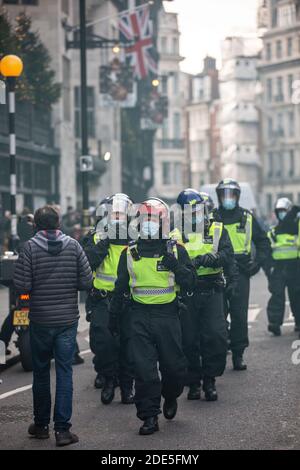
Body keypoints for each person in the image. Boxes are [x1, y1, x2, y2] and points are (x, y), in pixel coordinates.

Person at [109, 198, 195, 436]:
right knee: (144, 371)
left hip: (168, 316)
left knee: (174, 369)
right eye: (144, 220)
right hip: (139, 316)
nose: (148, 225)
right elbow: (121, 287)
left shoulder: (176, 250)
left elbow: (190, 283)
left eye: (152, 220)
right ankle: (149, 416)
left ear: (163, 223)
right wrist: (113, 317)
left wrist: (176, 266)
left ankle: (170, 395)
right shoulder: (130, 252)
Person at [13, 205, 93, 447]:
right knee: (65, 373)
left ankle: (40, 426)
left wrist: (26, 309)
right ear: (58, 223)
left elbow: (22, 286)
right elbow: (86, 281)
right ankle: (62, 430)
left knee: (40, 374)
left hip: (40, 320)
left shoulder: (28, 248)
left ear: (35, 225)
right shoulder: (74, 246)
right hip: (67, 321)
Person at [175, 189, 233, 402]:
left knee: (216, 337)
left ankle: (210, 380)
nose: (195, 213)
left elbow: (228, 254)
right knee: (188, 340)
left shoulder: (217, 228)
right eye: (190, 210)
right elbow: (169, 260)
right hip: (188, 293)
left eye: (197, 208)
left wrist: (214, 258)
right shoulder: (174, 233)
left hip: (212, 290)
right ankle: (194, 382)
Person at [81, 193, 134, 404]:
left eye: (122, 213)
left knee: (129, 345)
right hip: (103, 299)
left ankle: (127, 386)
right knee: (104, 343)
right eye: (115, 213)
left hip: (129, 300)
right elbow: (87, 263)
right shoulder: (96, 236)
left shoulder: (137, 237)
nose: (118, 217)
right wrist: (106, 242)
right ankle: (109, 379)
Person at [213, 179, 271, 370]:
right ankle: (219, 352)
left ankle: (238, 354)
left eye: (231, 195)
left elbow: (263, 242)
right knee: (217, 316)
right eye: (224, 195)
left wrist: (256, 264)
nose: (228, 198)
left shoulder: (247, 217)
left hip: (240, 271)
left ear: (237, 197)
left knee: (239, 315)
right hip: (217, 271)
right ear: (219, 197)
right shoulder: (212, 218)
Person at [267, 198, 300, 336]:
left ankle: (298, 323)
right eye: (279, 211)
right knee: (277, 296)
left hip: (295, 266)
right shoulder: (273, 231)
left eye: (284, 211)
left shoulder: (296, 227)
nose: (281, 214)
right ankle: (274, 324)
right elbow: (268, 249)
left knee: (297, 296)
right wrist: (269, 268)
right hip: (279, 267)